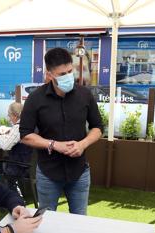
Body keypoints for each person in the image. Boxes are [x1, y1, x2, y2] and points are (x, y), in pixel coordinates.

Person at [20, 47, 103, 215]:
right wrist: (54, 145)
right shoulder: (35, 99)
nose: (68, 77)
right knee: (46, 221)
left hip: (79, 172)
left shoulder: (85, 95)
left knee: (80, 221)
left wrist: (83, 144)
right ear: (49, 74)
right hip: (48, 173)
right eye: (61, 74)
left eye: (70, 71)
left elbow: (98, 127)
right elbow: (25, 135)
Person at [0, 102, 33, 195]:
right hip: (28, 164)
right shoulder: (30, 124)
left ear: (14, 116)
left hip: (20, 166)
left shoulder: (19, 127)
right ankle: (11, 192)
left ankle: (0, 195)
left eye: (9, 116)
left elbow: (6, 145)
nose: (9, 118)